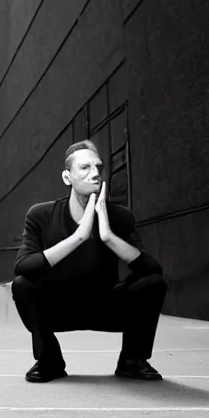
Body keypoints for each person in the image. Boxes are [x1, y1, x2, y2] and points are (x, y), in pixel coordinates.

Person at [11, 140, 168, 383]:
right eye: (85, 167)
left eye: (98, 167)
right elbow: (23, 266)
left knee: (153, 284)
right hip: (59, 310)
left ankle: (132, 361)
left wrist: (107, 236)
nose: (95, 173)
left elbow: (152, 270)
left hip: (105, 308)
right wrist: (78, 237)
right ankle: (49, 360)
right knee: (22, 285)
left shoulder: (120, 217)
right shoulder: (41, 215)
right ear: (67, 177)